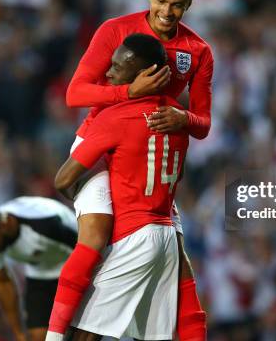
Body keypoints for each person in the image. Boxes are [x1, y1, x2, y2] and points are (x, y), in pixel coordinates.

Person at [48, 0, 210, 340]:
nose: (166, 11)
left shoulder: (198, 50)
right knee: (97, 236)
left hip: (148, 151)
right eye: (160, 0)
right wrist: (127, 92)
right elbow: (76, 92)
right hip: (101, 144)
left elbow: (203, 123)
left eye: (177, 4)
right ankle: (55, 335)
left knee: (176, 255)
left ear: (189, 3)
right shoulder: (115, 30)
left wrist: (183, 119)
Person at [47, 33, 189, 340]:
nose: (108, 73)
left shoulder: (116, 116)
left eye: (117, 67)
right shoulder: (178, 119)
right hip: (165, 237)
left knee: (84, 334)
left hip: (133, 238)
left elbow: (62, 179)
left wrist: (85, 196)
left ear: (143, 74)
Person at [0, 197, 78, 341]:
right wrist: (18, 333)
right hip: (40, 271)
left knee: (79, 333)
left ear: (4, 226)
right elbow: (3, 281)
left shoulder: (44, 225)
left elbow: (86, 248)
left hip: (75, 265)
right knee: (38, 337)